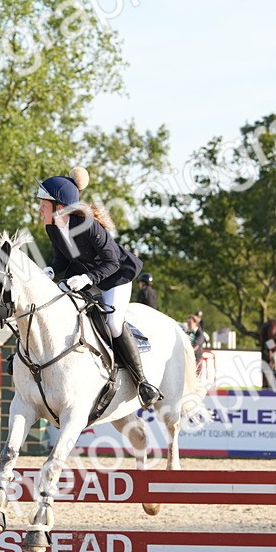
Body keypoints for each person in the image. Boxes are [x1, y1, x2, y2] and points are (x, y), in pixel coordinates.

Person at [39, 167, 160, 408]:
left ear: (59, 207)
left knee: (114, 322)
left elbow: (112, 262)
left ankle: (142, 382)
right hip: (84, 275)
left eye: (43, 204)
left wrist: (87, 279)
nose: (39, 209)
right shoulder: (52, 227)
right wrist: (51, 270)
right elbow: (62, 259)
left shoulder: (89, 226)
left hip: (115, 276)